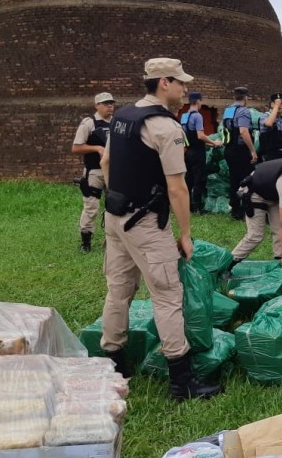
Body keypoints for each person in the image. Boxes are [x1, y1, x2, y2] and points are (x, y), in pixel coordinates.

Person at [99, 57, 221, 400]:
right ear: (163, 82)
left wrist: (119, 199)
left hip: (115, 216)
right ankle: (181, 382)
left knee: (118, 291)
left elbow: (106, 162)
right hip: (147, 224)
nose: (185, 89)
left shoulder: (122, 116)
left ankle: (114, 364)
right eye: (180, 82)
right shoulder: (165, 127)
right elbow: (178, 188)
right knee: (168, 296)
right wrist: (184, 234)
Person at [71, 92, 115, 252]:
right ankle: (86, 242)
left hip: (113, 171)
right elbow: (76, 147)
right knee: (91, 206)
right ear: (96, 105)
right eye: (105, 103)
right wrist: (96, 148)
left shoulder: (116, 124)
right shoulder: (89, 123)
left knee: (114, 206)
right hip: (94, 171)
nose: (109, 106)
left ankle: (111, 241)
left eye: (111, 103)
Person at [180, 92, 223, 214]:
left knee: (189, 178)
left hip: (188, 151)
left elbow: (192, 138)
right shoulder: (197, 116)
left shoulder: (184, 116)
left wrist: (211, 144)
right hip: (198, 153)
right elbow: (200, 135)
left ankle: (188, 206)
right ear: (199, 101)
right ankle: (198, 207)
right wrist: (214, 143)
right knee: (200, 178)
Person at [223, 86, 257, 220]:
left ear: (234, 97)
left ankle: (235, 209)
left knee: (234, 180)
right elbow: (243, 132)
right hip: (241, 151)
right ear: (246, 98)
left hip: (229, 149)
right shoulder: (244, 111)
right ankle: (245, 210)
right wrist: (252, 150)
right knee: (247, 180)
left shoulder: (228, 111)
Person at [258, 93, 282, 162]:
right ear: (271, 104)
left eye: (281, 103)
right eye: (277, 103)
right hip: (268, 156)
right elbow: (269, 123)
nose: (279, 105)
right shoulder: (265, 116)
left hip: (280, 155)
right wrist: (276, 107)